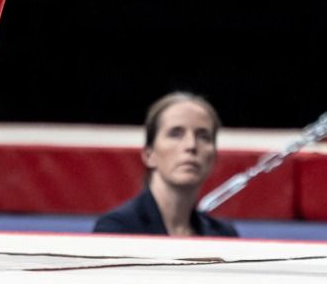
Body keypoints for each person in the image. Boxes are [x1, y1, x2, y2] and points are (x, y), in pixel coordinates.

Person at [94, 92, 239, 237]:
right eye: (175, 134)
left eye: (203, 136)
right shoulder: (116, 229)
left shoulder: (224, 235)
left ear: (214, 156)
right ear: (149, 154)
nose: (191, 145)